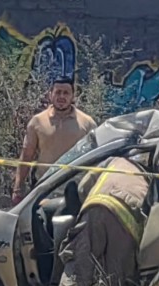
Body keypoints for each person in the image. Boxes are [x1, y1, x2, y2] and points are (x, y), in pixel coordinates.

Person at [51, 156, 149, 286]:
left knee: (78, 267)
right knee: (116, 278)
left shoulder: (114, 161)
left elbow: (81, 188)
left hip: (95, 210)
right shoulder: (149, 177)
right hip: (127, 225)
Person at [13, 76, 97, 205]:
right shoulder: (37, 122)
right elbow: (27, 155)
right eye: (58, 92)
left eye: (66, 93)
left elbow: (96, 159)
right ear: (50, 95)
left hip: (77, 191)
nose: (61, 96)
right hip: (44, 189)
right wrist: (18, 189)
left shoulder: (87, 123)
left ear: (73, 96)